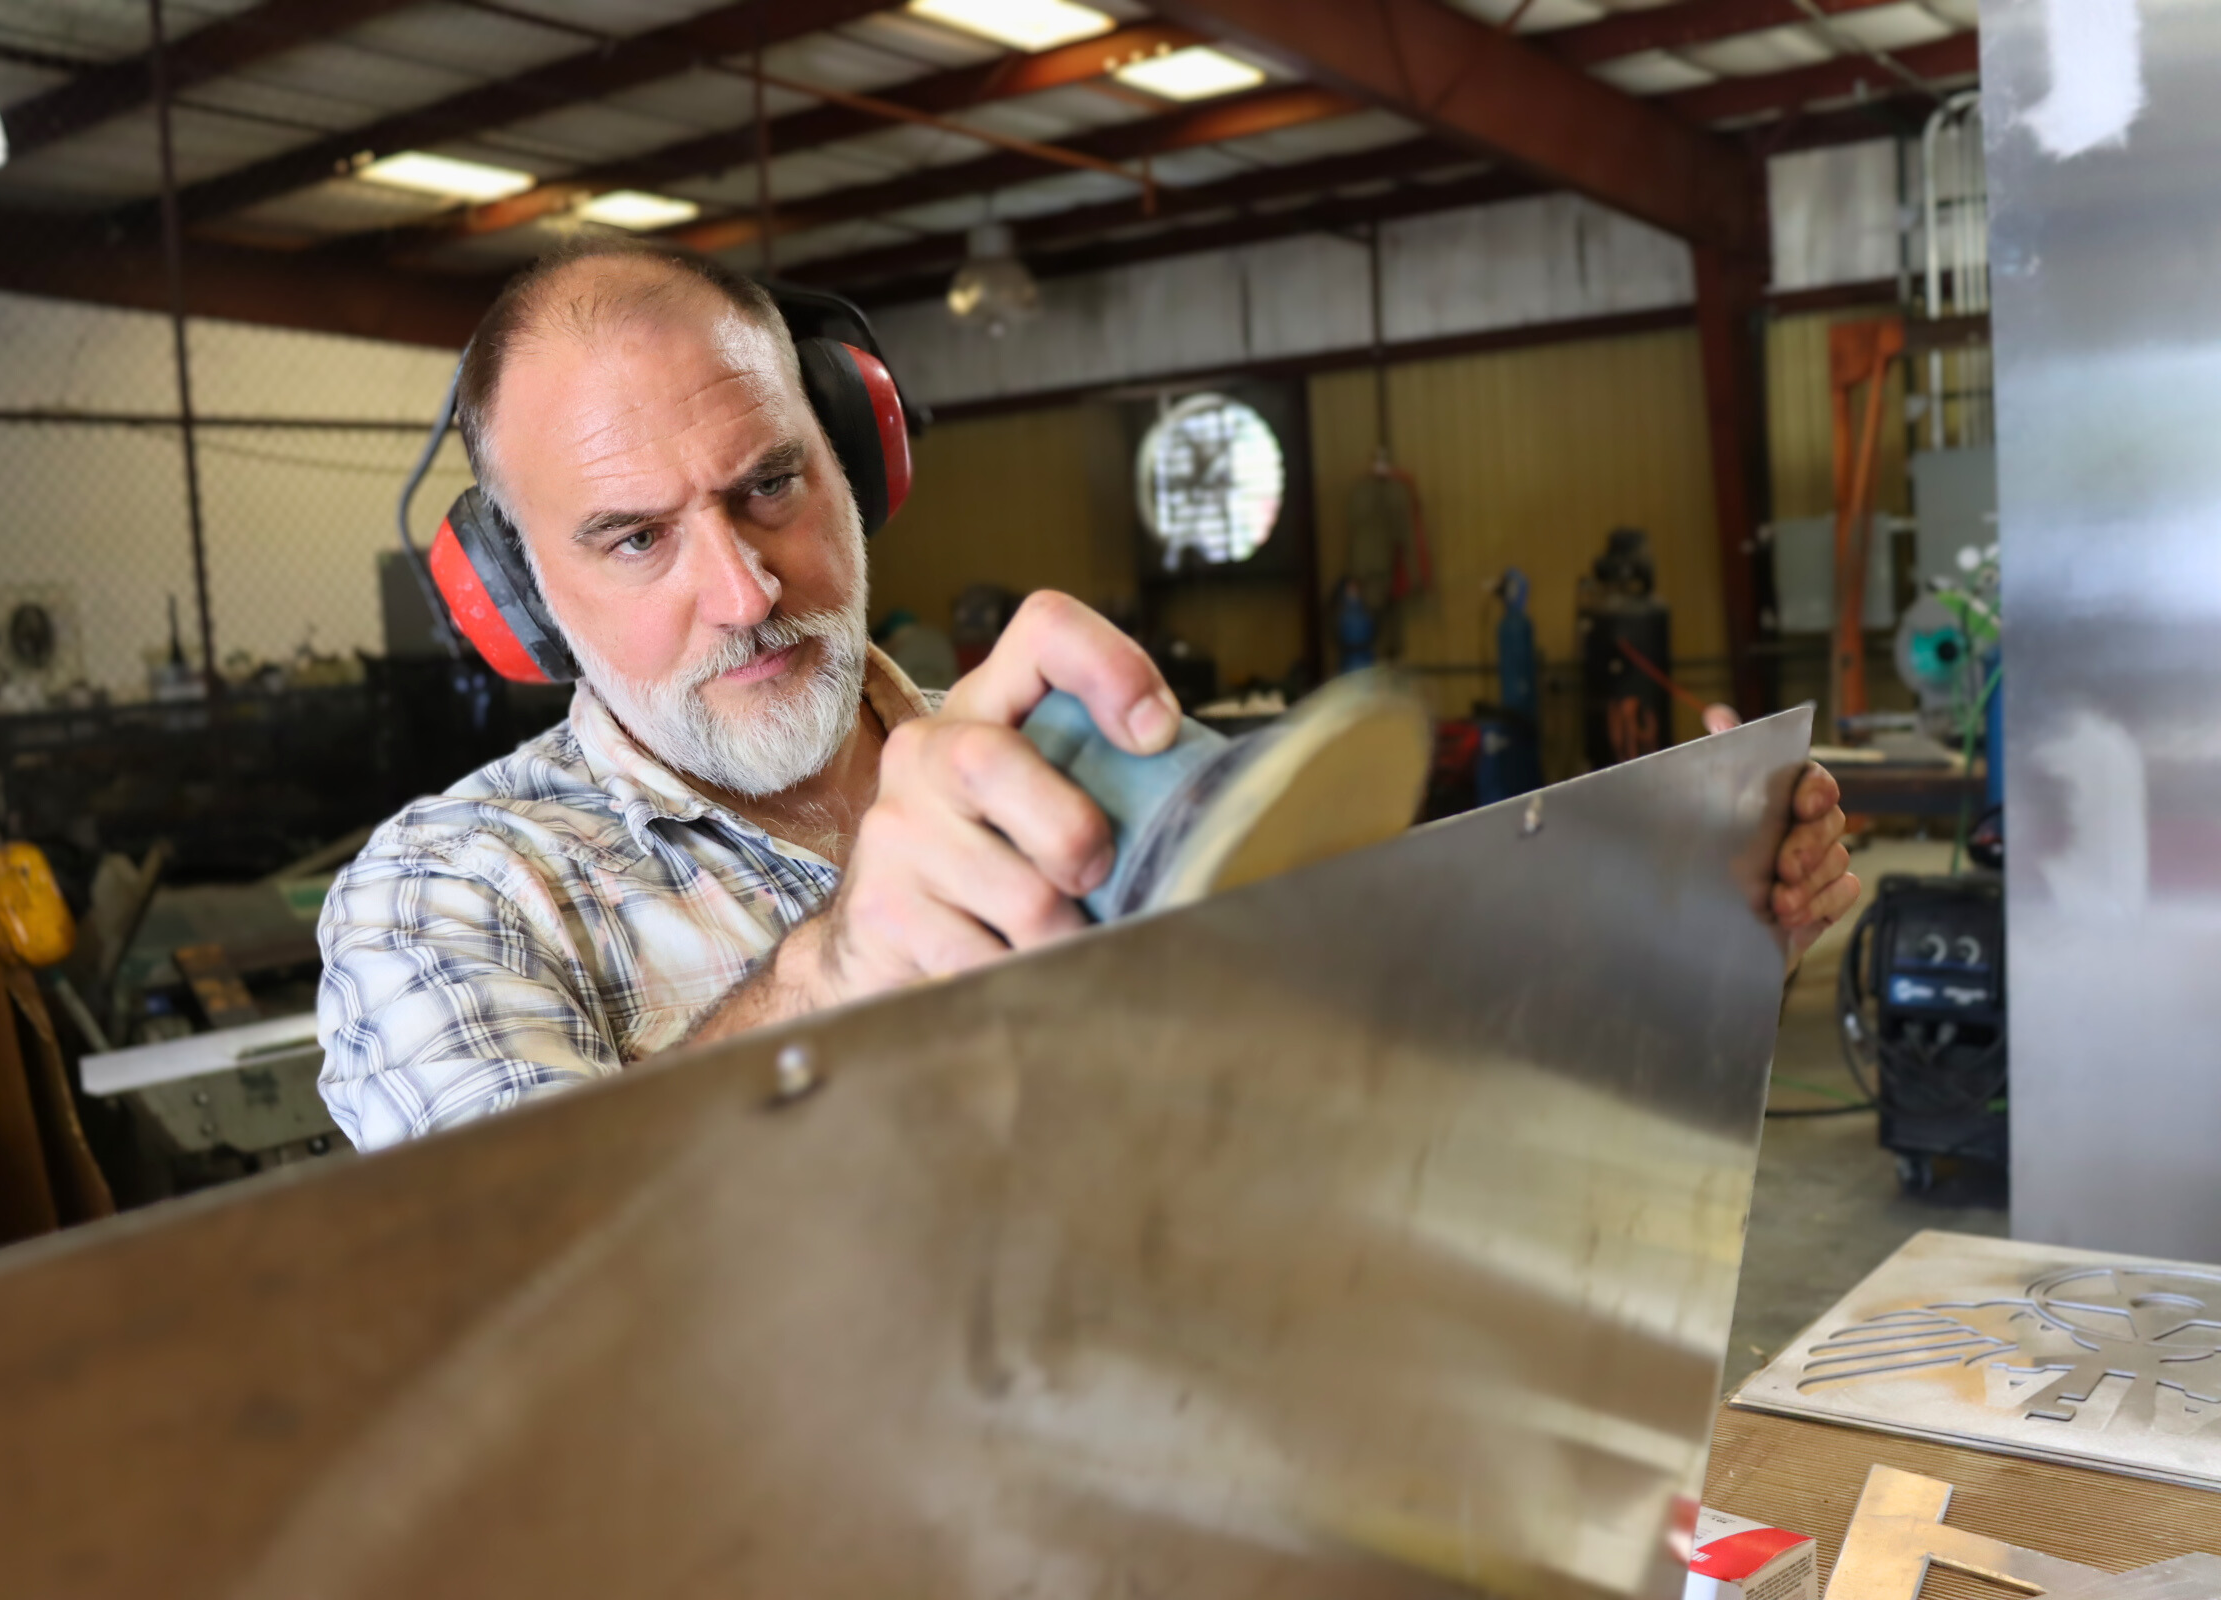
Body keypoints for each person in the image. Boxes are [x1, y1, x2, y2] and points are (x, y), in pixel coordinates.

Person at [315, 239, 1857, 1151]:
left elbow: (1411, 1104)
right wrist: (825, 983)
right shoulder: (451, 898)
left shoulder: (1071, 767)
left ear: (858, 458)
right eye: (634, 538)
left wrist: (1692, 952)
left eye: (770, 485)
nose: (742, 589)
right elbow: (523, 1307)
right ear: (519, 598)